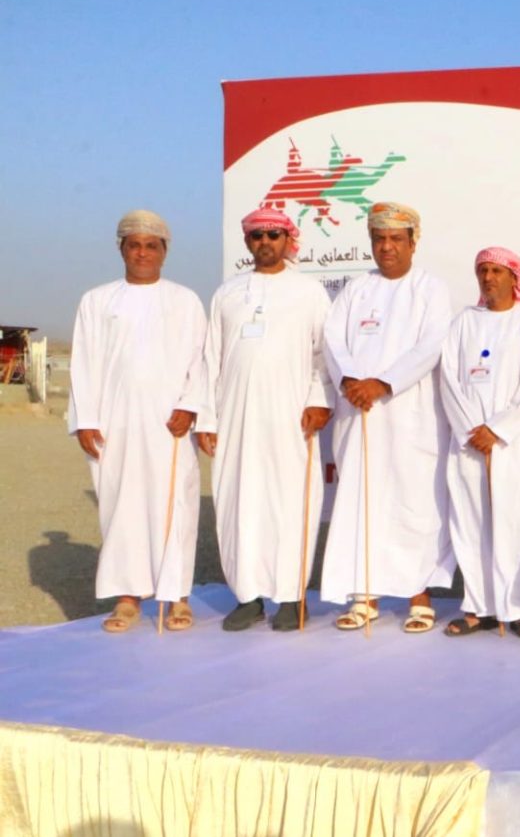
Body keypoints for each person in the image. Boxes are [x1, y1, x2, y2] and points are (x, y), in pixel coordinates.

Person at [68, 210, 205, 633]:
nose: (142, 253)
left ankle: (176, 597)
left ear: (164, 251)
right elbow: (82, 364)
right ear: (121, 249)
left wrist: (191, 405)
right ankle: (127, 598)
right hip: (115, 423)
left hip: (170, 424)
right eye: (134, 245)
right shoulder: (97, 301)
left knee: (175, 507)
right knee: (120, 507)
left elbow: (201, 360)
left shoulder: (184, 300)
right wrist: (85, 419)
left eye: (151, 245)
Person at [197, 208, 333, 632]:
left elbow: (323, 355)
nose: (265, 242)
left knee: (289, 503)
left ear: (288, 239)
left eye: (274, 234)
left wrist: (319, 400)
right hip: (235, 418)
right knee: (237, 503)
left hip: (291, 417)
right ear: (247, 242)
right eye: (257, 235)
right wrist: (207, 418)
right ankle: (248, 596)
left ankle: (292, 597)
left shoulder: (309, 292)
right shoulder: (228, 293)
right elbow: (210, 359)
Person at [321, 202, 454, 633]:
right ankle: (364, 595)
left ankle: (419, 596)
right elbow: (332, 340)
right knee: (360, 499)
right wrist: (349, 380)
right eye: (379, 239)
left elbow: (432, 345)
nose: (387, 247)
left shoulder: (430, 289)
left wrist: (383, 383)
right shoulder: (356, 289)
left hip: (409, 413)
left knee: (413, 503)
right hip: (357, 413)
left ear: (414, 243)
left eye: (396, 238)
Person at [438, 247, 520, 639]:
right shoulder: (464, 321)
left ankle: (518, 609)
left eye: (497, 271)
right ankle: (480, 607)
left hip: (513, 443)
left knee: (517, 523)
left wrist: (499, 428)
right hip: (470, 442)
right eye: (482, 271)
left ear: (515, 277)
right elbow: (448, 378)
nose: (488, 278)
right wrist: (472, 428)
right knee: (472, 522)